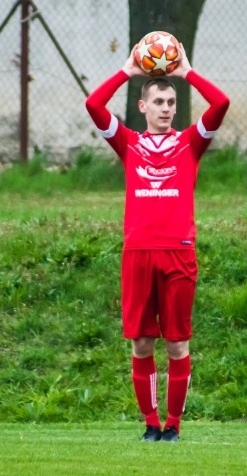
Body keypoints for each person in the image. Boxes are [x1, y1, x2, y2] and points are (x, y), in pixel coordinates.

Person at [85, 43, 230, 442]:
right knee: (143, 341)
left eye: (171, 102)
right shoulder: (129, 143)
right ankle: (150, 424)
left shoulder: (190, 143)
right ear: (142, 107)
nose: (166, 108)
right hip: (137, 252)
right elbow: (93, 105)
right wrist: (126, 70)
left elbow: (221, 103)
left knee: (178, 344)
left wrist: (187, 72)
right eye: (158, 102)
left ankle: (174, 426)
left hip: (178, 251)